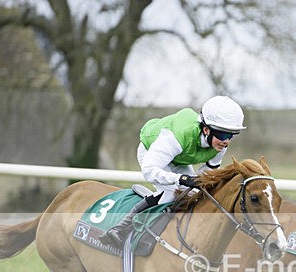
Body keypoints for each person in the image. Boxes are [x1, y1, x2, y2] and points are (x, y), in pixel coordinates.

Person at [99, 95, 246, 247]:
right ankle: (120, 228)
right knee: (171, 192)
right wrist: (180, 179)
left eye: (231, 135)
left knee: (193, 195)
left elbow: (207, 174)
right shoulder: (177, 136)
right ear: (206, 129)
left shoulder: (220, 145)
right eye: (222, 134)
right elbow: (149, 171)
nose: (226, 141)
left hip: (178, 159)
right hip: (152, 153)